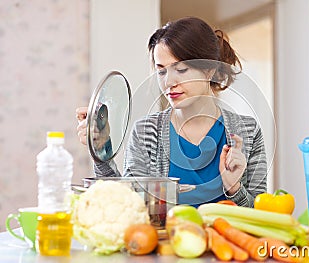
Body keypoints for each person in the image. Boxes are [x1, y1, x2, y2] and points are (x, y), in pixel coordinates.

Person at [76, 17, 268, 207]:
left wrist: (234, 188)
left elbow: (261, 217)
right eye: (161, 71)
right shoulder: (146, 132)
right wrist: (101, 151)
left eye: (181, 69)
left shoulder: (248, 131)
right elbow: (127, 206)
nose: (168, 82)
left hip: (226, 239)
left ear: (209, 70)